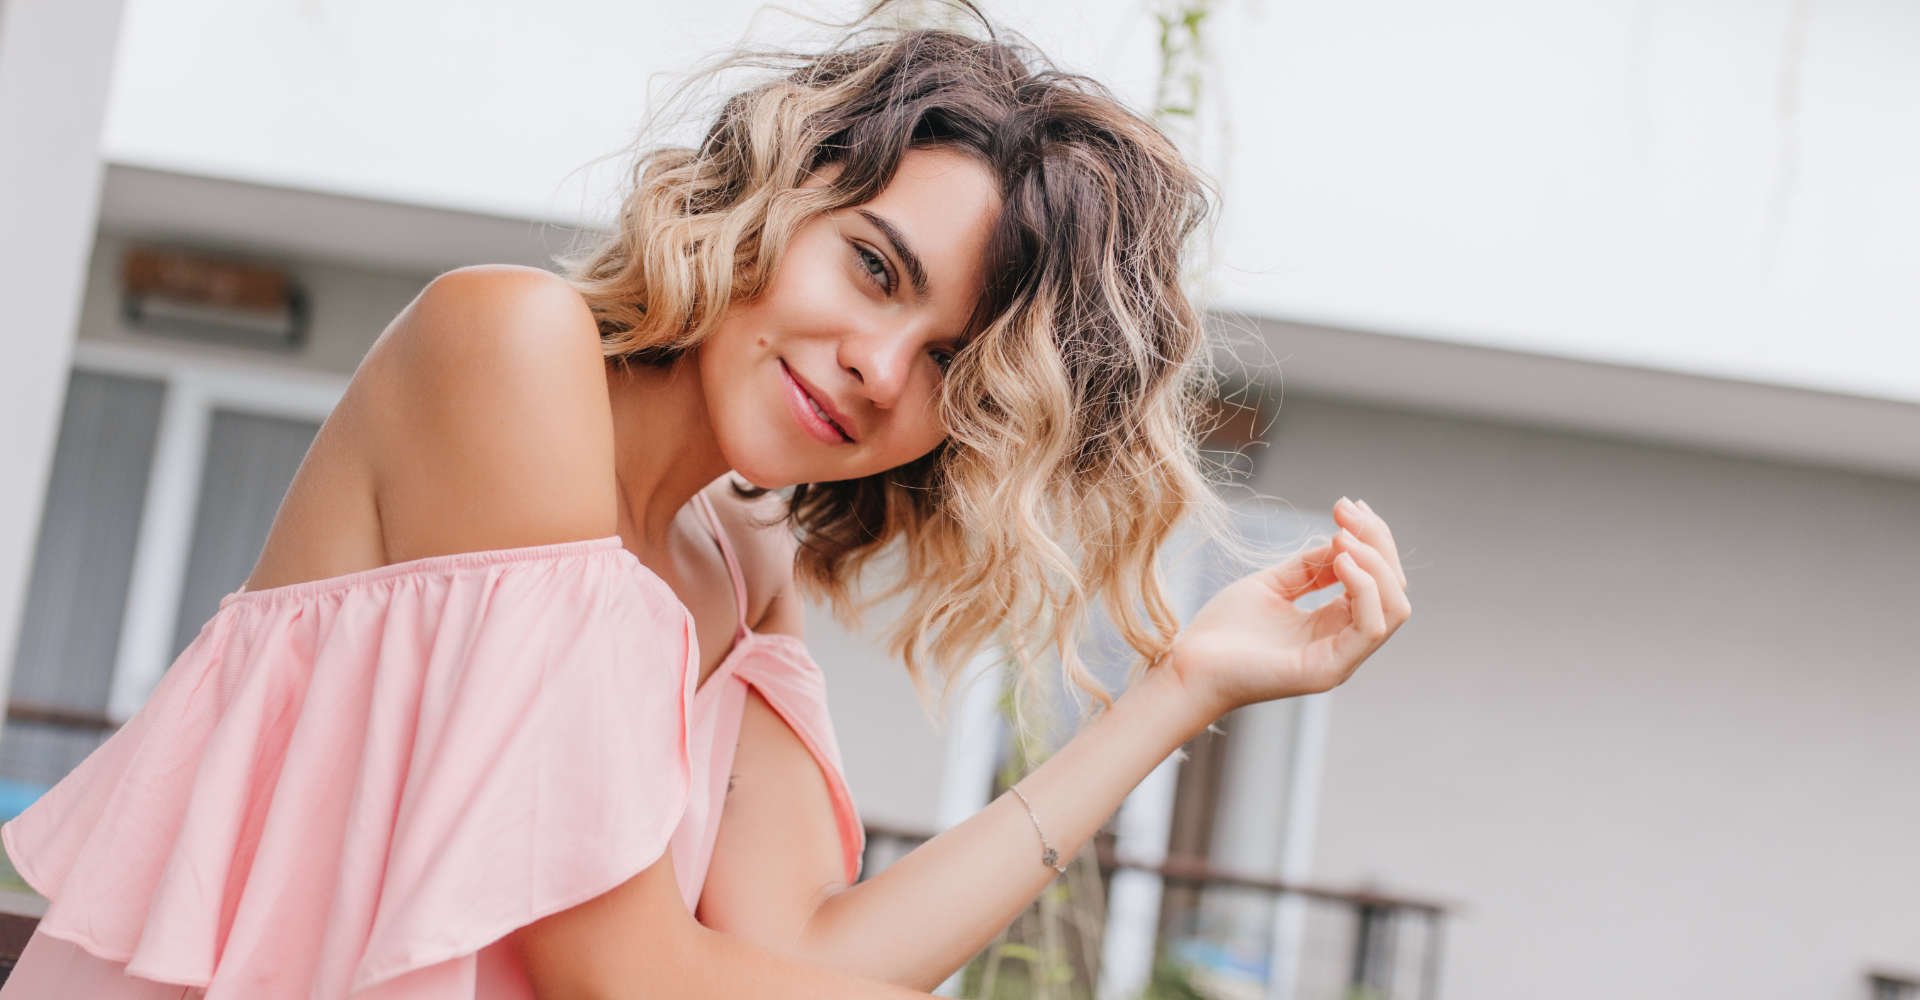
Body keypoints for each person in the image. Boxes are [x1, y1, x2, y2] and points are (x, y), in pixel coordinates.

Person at [0, 5, 1410, 998]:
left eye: (945, 367)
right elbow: (611, 973)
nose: (876, 368)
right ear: (776, 195)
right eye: (873, 268)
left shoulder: (739, 557)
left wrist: (1181, 690)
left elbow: (801, 954)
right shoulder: (507, 344)